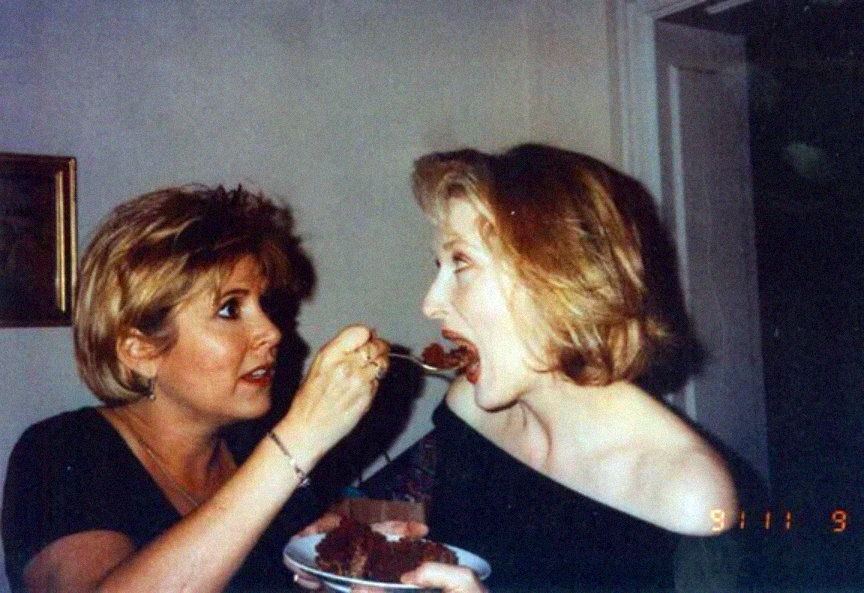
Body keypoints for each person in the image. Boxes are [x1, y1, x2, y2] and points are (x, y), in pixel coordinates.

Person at [1, 185, 392, 593]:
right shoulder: (62, 451)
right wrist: (299, 438)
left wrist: (343, 563)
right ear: (141, 350)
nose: (271, 332)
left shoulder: (252, 449)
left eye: (263, 304)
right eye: (229, 309)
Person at [390, 144, 741, 592]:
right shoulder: (470, 413)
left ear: (558, 278)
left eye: (461, 264)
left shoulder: (686, 496)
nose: (431, 303)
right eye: (439, 267)